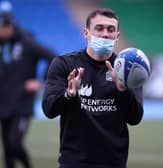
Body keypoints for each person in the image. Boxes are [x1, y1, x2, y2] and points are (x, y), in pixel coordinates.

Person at [42, 8, 143, 168]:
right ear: (86, 33)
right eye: (99, 28)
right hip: (73, 161)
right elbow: (49, 109)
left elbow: (135, 118)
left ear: (117, 37)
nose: (104, 34)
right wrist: (69, 94)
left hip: (113, 162)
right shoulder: (64, 64)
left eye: (110, 30)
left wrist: (123, 89)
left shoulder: (127, 68)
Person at [0, 1, 57, 168]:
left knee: (15, 144)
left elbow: (52, 57)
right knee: (8, 152)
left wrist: (41, 81)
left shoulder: (27, 42)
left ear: (9, 26)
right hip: (3, 104)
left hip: (21, 104)